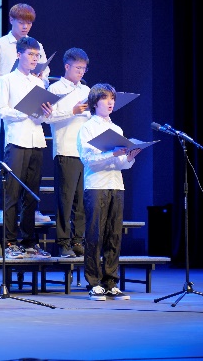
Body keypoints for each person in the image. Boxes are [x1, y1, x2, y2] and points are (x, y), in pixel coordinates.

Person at [0, 3, 50, 223]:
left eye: (29, 23)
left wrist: (38, 77)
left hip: (32, 109)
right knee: (6, 162)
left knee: (32, 169)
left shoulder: (36, 45)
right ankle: (4, 209)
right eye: (21, 22)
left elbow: (46, 73)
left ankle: (31, 211)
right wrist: (11, 79)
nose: (25, 27)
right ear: (11, 20)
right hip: (10, 103)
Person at [78, 83, 141, 301]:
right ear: (95, 103)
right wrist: (112, 154)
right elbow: (88, 160)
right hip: (96, 185)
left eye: (112, 99)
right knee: (94, 234)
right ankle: (94, 283)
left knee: (114, 235)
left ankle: (111, 282)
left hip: (116, 184)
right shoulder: (87, 128)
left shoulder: (117, 129)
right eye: (105, 99)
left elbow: (121, 164)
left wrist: (129, 157)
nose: (110, 102)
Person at [0, 36, 53, 260]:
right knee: (13, 193)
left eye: (37, 56)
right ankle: (10, 242)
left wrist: (45, 113)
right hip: (16, 141)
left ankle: (29, 241)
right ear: (19, 55)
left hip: (36, 140)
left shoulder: (39, 83)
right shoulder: (7, 80)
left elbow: (41, 118)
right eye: (30, 54)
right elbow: (1, 111)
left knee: (31, 194)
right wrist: (24, 111)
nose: (34, 59)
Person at [46, 48, 91, 258]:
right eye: (78, 68)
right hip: (65, 149)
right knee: (65, 200)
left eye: (84, 69)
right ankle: (63, 242)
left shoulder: (87, 90)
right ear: (67, 66)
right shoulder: (55, 89)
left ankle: (78, 240)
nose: (81, 72)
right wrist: (72, 111)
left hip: (84, 152)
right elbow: (48, 118)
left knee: (81, 200)